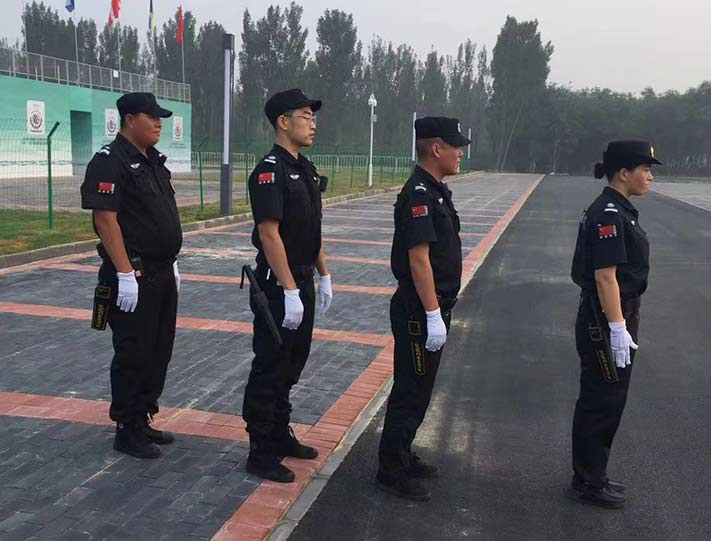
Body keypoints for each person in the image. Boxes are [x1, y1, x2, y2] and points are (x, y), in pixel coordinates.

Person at [80, 92, 182, 459]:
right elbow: (105, 220)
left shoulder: (153, 162)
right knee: (133, 352)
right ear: (129, 119)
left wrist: (171, 262)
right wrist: (124, 273)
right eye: (151, 117)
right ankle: (126, 428)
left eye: (160, 118)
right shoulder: (110, 161)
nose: (158, 124)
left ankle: (142, 417)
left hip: (161, 272)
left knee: (158, 350)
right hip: (133, 275)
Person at [376, 117, 470, 501]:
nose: (460, 152)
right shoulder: (419, 194)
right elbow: (419, 259)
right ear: (436, 148)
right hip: (418, 311)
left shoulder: (435, 191)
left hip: (430, 308)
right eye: (455, 146)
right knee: (410, 389)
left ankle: (402, 453)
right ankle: (391, 469)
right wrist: (432, 313)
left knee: (421, 388)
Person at [242, 88, 333, 483]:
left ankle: (280, 433)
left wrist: (323, 275)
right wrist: (289, 289)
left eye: (313, 117)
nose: (313, 124)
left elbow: (312, 230)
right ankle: (260, 449)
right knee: (270, 366)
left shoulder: (306, 169)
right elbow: (269, 234)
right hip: (279, 287)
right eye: (305, 116)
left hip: (302, 279)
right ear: (283, 122)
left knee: (293, 364)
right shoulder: (270, 171)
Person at [569, 140, 661, 508]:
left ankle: (592, 474)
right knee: (601, 401)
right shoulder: (609, 214)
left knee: (607, 399)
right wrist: (617, 327)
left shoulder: (619, 209)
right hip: (604, 319)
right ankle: (588, 481)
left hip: (612, 315)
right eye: (645, 170)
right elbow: (605, 277)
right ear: (624, 173)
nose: (650, 177)